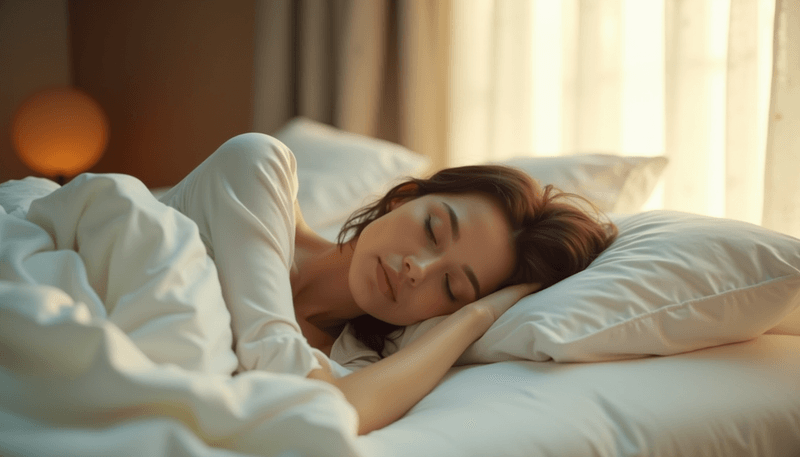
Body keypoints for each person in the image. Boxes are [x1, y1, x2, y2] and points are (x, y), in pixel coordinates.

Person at [158, 133, 617, 435]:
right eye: (434, 229)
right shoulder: (259, 169)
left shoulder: (356, 361)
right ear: (402, 197)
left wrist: (478, 316)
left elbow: (327, 413)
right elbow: (287, 374)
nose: (418, 268)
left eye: (453, 287)